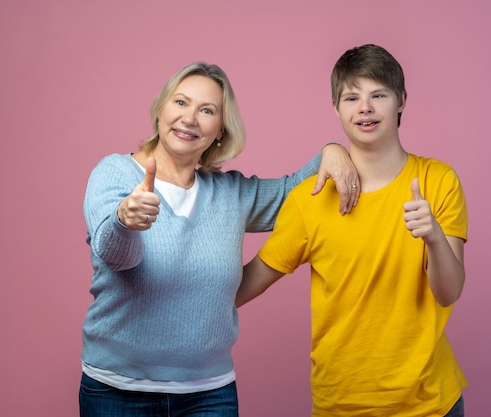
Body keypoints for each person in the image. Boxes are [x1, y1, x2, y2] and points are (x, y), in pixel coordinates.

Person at [79, 61, 360, 417]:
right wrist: (125, 220)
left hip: (209, 394)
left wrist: (332, 149)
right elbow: (115, 256)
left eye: (207, 110)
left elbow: (297, 192)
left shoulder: (230, 195)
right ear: (161, 111)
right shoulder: (115, 173)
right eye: (180, 103)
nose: (190, 118)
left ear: (221, 132)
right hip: (116, 390)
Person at [236, 44, 468, 417]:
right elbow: (244, 286)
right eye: (352, 97)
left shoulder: (437, 180)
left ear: (401, 100)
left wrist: (435, 238)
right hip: (341, 404)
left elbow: (448, 292)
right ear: (336, 107)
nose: (365, 108)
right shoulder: (309, 199)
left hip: (431, 403)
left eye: (378, 95)